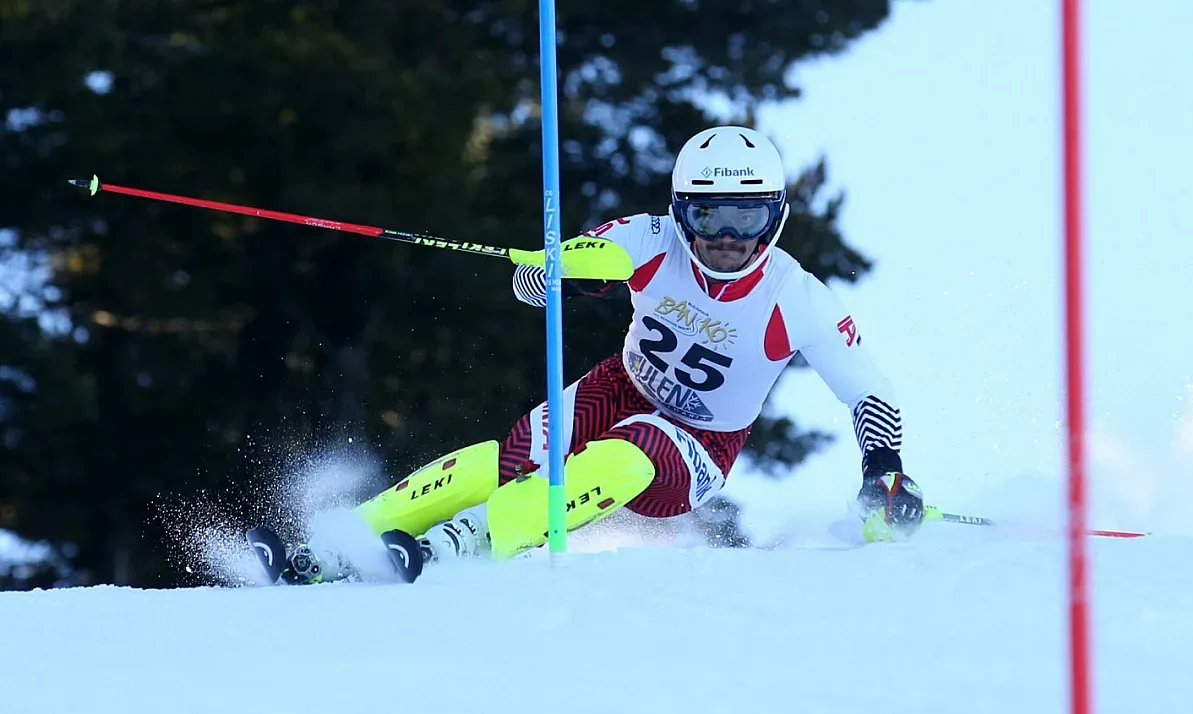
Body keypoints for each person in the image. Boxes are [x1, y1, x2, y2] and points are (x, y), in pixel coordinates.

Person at [299, 126, 924, 582]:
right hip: (620, 387)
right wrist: (556, 270)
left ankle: (468, 540)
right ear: (682, 214)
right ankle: (339, 543)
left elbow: (867, 389)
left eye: (749, 216)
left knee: (631, 454)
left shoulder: (797, 298)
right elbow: (557, 274)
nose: (729, 238)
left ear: (776, 215)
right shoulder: (650, 240)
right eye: (710, 217)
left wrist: (884, 470)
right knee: (515, 456)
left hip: (698, 445)